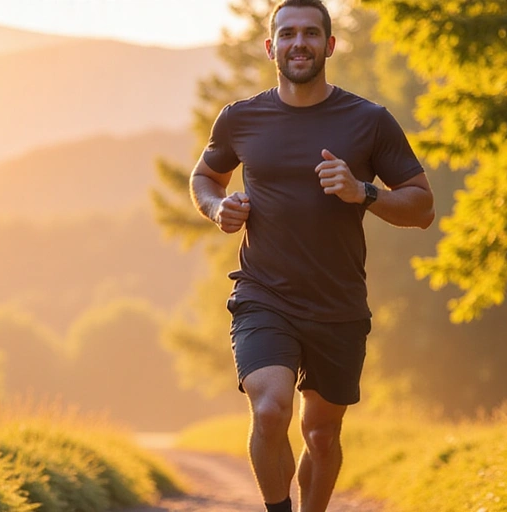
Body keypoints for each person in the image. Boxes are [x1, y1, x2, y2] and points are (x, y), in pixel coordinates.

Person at [187, 1, 436, 510]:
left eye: (310, 33)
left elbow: (423, 207)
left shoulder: (369, 121)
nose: (298, 43)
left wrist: (362, 192)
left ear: (329, 44)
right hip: (263, 295)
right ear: (270, 46)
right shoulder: (240, 118)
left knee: (321, 435)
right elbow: (204, 177)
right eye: (288, 34)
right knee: (272, 408)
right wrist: (217, 208)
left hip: (337, 303)